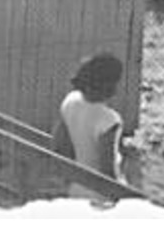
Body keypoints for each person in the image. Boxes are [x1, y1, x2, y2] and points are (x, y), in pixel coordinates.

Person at [52, 53, 125, 196]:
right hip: (99, 193)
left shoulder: (70, 101)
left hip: (76, 186)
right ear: (111, 84)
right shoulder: (109, 120)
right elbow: (107, 171)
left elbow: (59, 144)